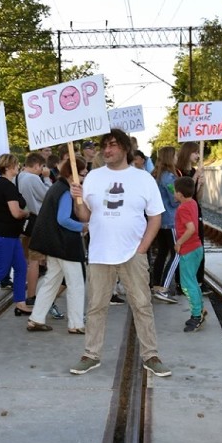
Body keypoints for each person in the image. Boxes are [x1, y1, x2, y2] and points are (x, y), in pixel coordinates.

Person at [68, 128, 172, 377]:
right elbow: (85, 216)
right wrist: (77, 199)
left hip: (132, 254)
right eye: (104, 145)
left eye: (112, 145)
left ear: (125, 148)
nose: (107, 150)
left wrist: (142, 249)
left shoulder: (143, 178)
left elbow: (156, 217)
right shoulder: (93, 177)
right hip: (100, 253)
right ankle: (91, 355)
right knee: (96, 307)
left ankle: (151, 355)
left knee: (142, 305)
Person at [28, 156, 88, 334]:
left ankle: (36, 318)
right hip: (65, 245)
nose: (85, 175)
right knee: (76, 284)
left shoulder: (57, 187)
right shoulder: (66, 191)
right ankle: (76, 323)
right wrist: (83, 226)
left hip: (53, 244)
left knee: (51, 282)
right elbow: (63, 219)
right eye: (82, 172)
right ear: (73, 174)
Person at [0, 153, 33, 316]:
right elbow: (16, 213)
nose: (18, 166)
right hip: (4, 235)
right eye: (16, 164)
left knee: (20, 267)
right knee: (1, 270)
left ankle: (20, 302)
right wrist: (27, 213)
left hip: (9, 235)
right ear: (9, 167)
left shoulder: (3, 184)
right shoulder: (7, 186)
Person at [17, 151, 64, 320]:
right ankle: (31, 295)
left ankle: (26, 293)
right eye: (42, 166)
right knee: (35, 261)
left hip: (25, 223)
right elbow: (48, 195)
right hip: (36, 221)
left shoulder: (20, 176)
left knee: (27, 259)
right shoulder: (33, 178)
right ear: (37, 165)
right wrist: (45, 178)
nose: (43, 169)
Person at [176, 141, 210, 295]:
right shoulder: (179, 172)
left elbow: (197, 197)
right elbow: (183, 194)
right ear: (187, 153)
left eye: (198, 152)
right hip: (185, 214)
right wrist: (195, 178)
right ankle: (182, 283)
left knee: (198, 246)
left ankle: (198, 280)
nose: (197, 155)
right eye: (195, 152)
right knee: (185, 248)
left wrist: (201, 185)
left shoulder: (195, 171)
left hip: (196, 212)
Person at [173, 176, 205, 332]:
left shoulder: (183, 208)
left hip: (188, 249)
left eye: (174, 191)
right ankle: (200, 310)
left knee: (187, 285)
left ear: (179, 194)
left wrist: (179, 242)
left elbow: (191, 228)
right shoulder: (193, 203)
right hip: (197, 247)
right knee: (193, 281)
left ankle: (196, 316)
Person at [150, 146, 180, 304]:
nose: (177, 158)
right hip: (170, 220)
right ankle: (164, 288)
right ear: (170, 157)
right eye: (175, 155)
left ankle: (155, 285)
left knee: (162, 253)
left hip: (159, 220)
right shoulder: (169, 177)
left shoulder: (155, 175)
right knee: (177, 253)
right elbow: (175, 200)